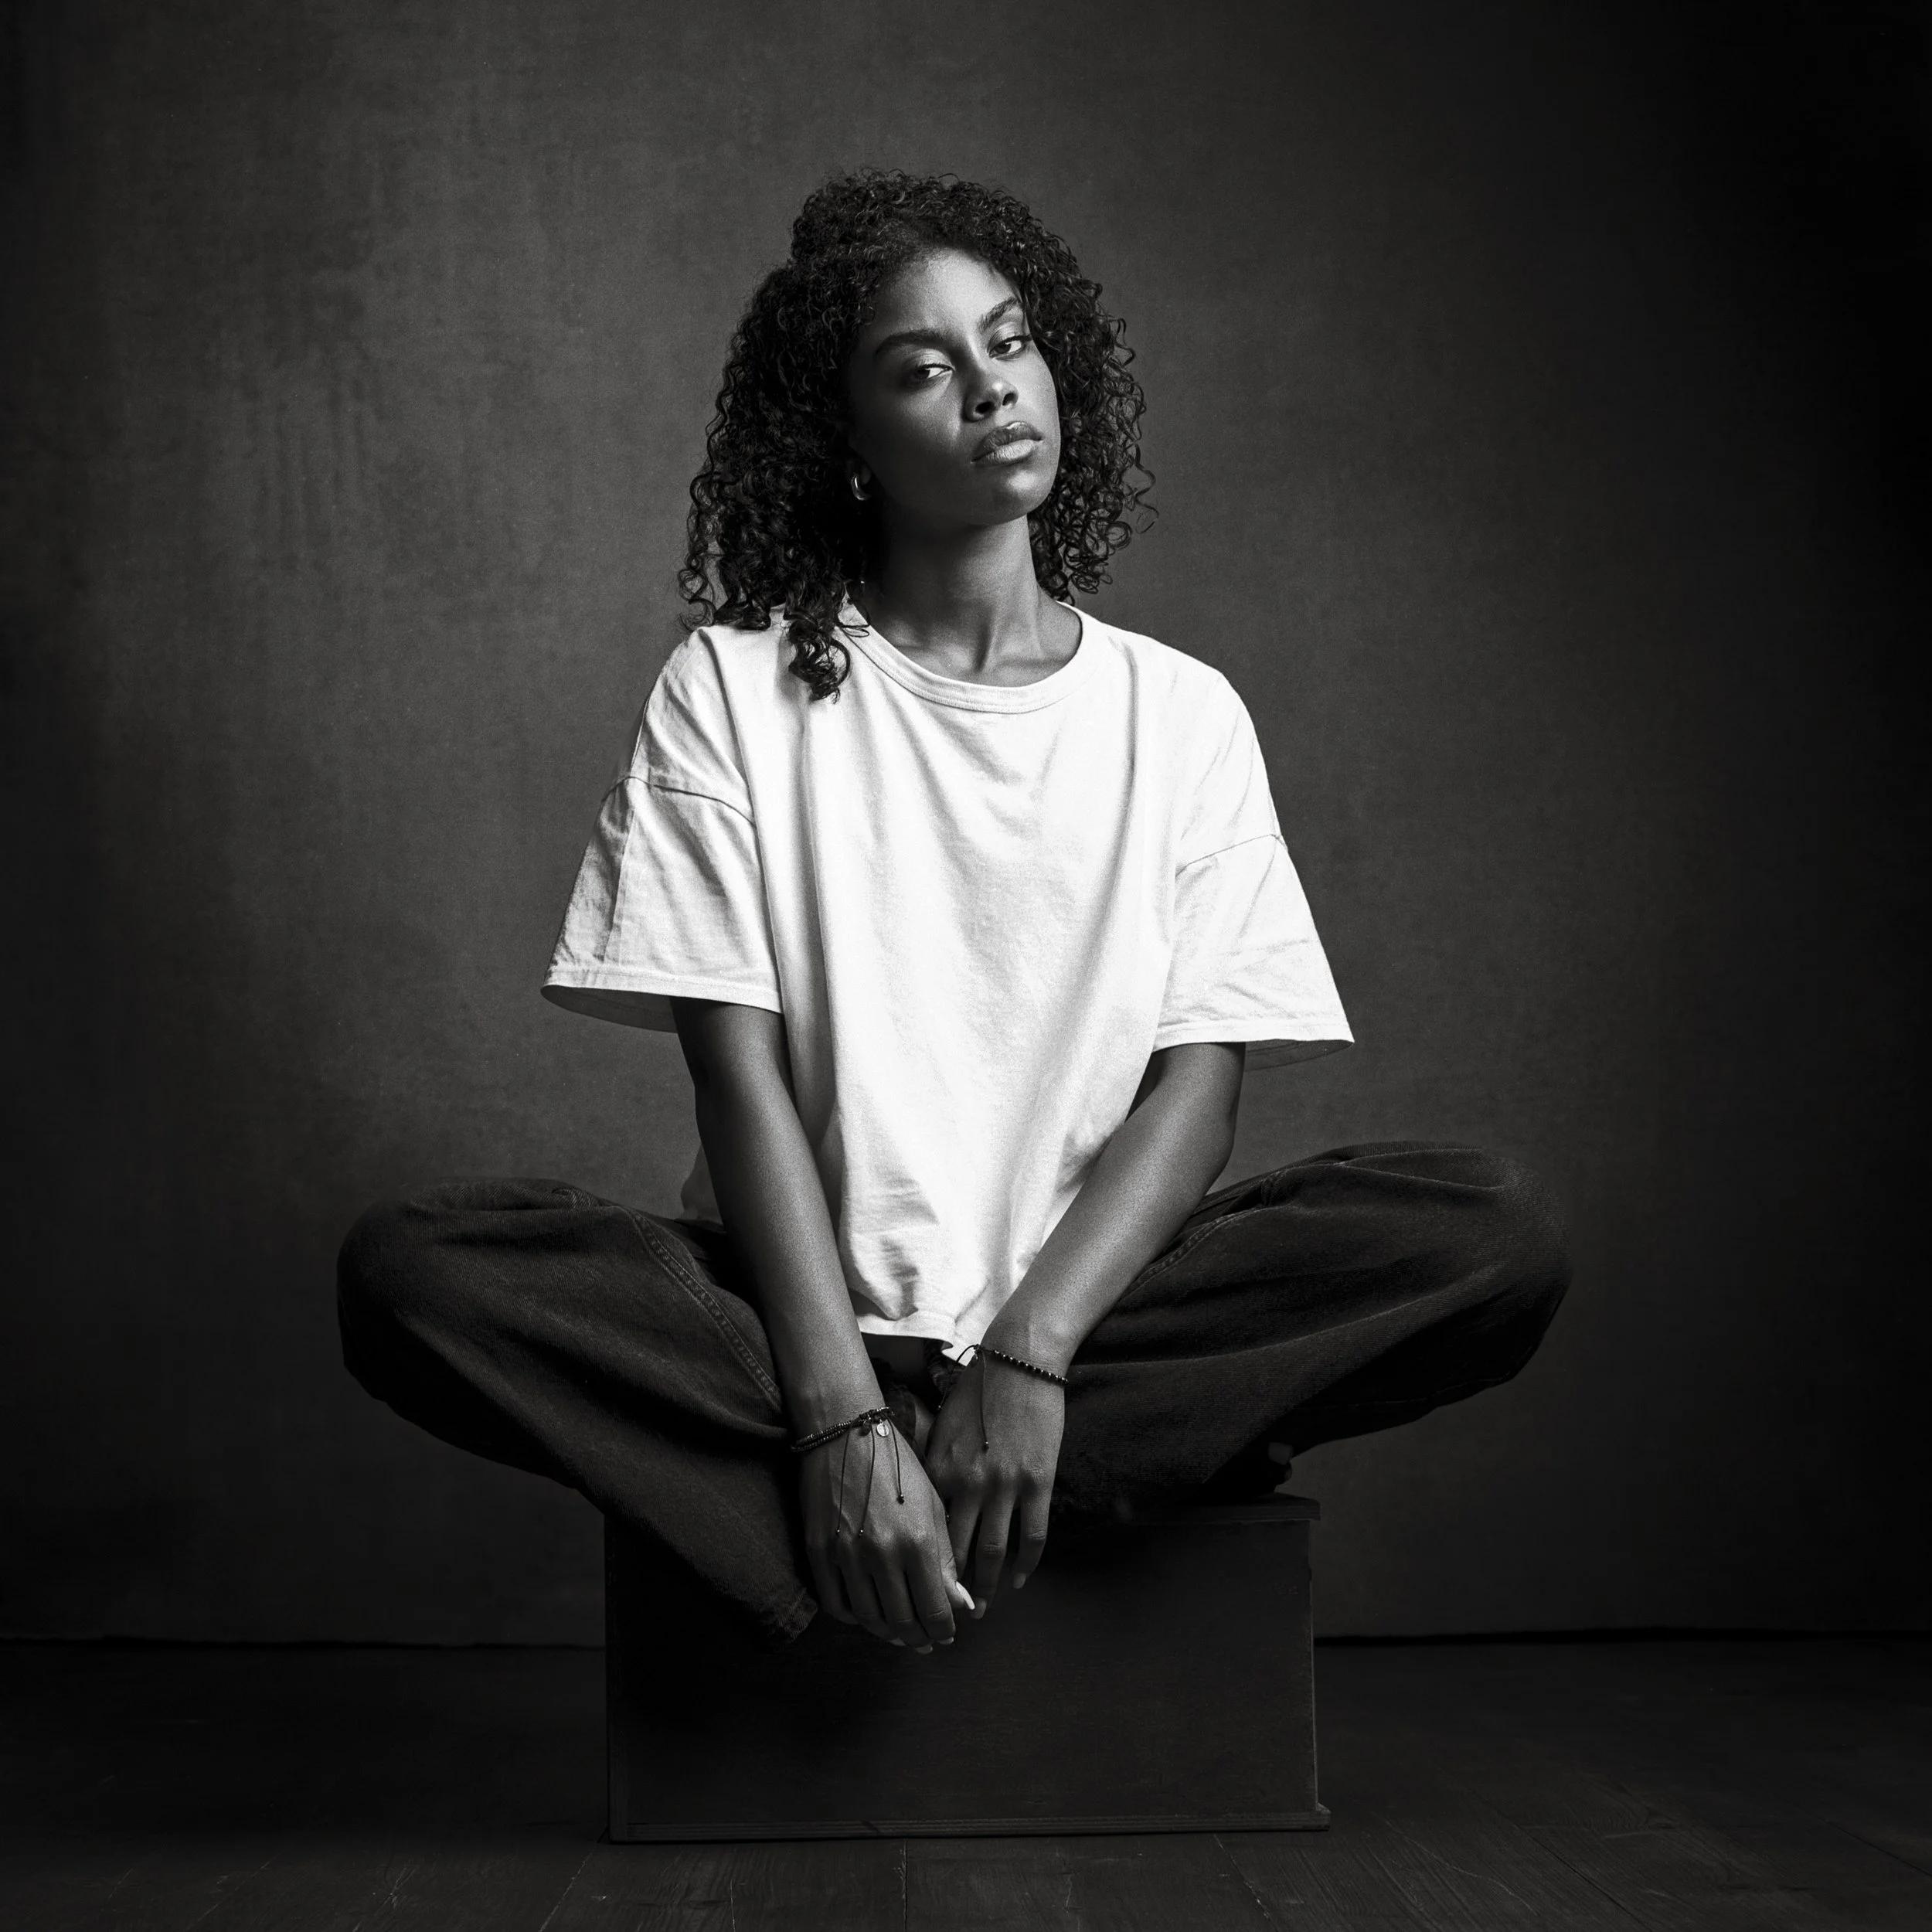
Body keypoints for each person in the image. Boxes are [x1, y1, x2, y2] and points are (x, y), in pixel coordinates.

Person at [337, 169, 1569, 1656]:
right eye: (926, 371)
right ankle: (930, 1484)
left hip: (1098, 1320)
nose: (991, 390)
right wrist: (844, 1415)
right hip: (799, 1332)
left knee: (1486, 1234)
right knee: (419, 1273)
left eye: (1011, 343)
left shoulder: (1179, 713)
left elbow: (1201, 1086)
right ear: (846, 444)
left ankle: (916, 1488)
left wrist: (1033, 1356)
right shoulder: (733, 690)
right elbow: (738, 1080)